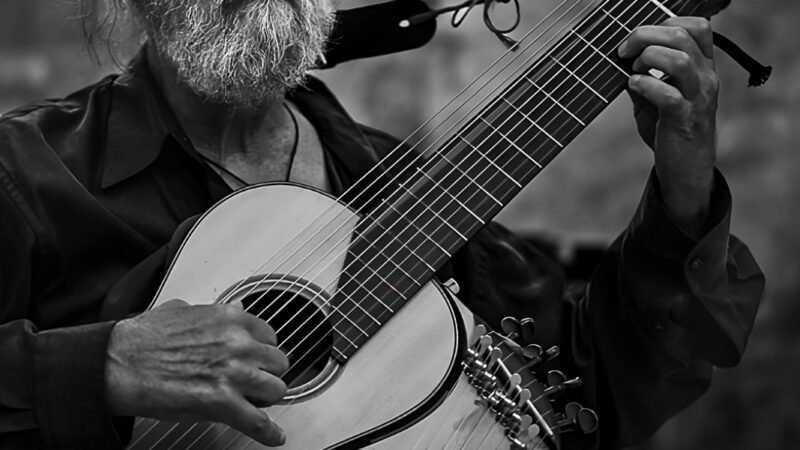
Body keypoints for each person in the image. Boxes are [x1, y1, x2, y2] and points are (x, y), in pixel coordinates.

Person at [0, 0, 764, 449]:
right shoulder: (26, 173)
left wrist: (685, 183)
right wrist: (100, 366)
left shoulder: (392, 181)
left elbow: (591, 392)